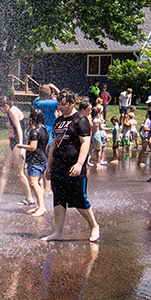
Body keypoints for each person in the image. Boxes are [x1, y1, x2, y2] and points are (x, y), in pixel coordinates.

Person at [41, 90, 100, 242]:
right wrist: (49, 166)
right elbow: (54, 144)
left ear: (73, 103)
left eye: (63, 104)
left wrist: (80, 163)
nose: (60, 107)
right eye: (59, 104)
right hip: (58, 166)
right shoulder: (59, 120)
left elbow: (86, 142)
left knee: (79, 198)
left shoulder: (80, 119)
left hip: (74, 166)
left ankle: (94, 225)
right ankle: (57, 232)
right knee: (59, 198)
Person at [0, 96, 33, 205]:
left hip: (18, 143)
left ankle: (30, 198)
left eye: (0, 108)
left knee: (19, 172)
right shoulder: (9, 112)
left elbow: (19, 129)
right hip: (12, 143)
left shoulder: (12, 111)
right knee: (4, 170)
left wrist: (22, 147)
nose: (0, 111)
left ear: (6, 106)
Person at [17, 109, 49, 216]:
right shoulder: (44, 130)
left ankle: (42, 207)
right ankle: (39, 205)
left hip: (35, 161)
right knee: (39, 182)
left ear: (31, 119)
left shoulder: (34, 132)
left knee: (33, 183)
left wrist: (20, 146)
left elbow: (32, 147)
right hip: (42, 159)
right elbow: (44, 146)